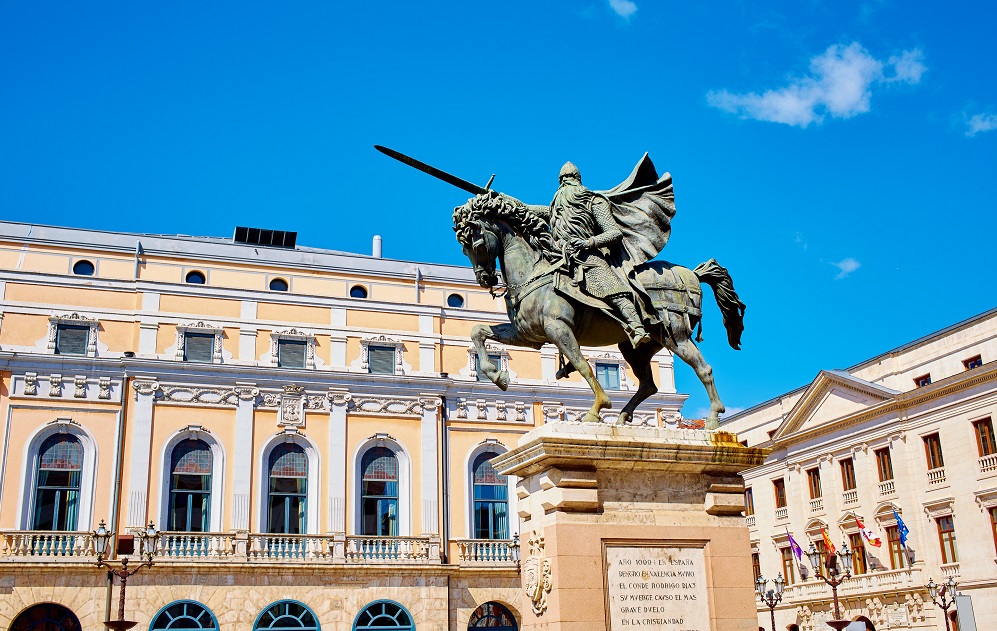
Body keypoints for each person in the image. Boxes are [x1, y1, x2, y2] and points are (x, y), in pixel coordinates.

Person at [532, 161, 652, 347]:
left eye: (568, 180)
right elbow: (527, 208)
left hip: (589, 256)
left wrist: (588, 242)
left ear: (577, 180)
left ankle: (637, 326)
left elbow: (614, 232)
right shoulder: (556, 208)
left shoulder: (593, 201)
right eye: (562, 181)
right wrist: (502, 199)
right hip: (560, 258)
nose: (565, 185)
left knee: (610, 286)